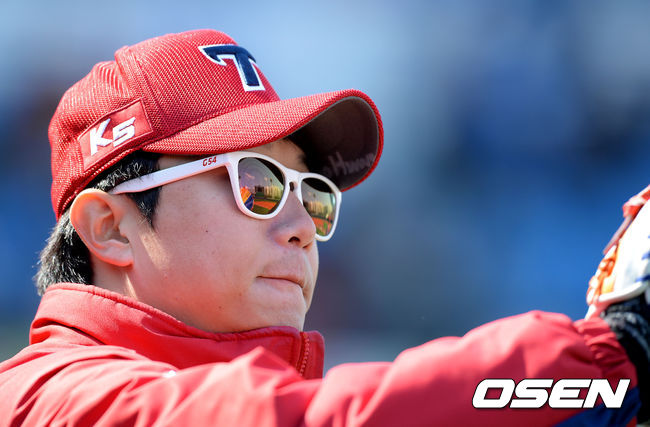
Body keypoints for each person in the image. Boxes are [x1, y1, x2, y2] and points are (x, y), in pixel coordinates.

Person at [0, 28, 648, 426]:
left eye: (313, 195)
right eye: (256, 182)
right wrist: (609, 356)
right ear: (109, 227)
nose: (302, 228)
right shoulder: (51, 399)